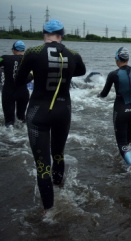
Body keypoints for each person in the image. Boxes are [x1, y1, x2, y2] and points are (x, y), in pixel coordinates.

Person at [15, 20, 86, 212]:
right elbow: (82, 70)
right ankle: (59, 190)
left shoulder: (33, 52)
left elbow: (19, 80)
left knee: (42, 165)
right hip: (64, 112)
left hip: (38, 112)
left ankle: (49, 214)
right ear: (62, 34)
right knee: (58, 154)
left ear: (43, 34)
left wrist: (34, 74)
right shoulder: (73, 54)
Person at [0, 40, 31, 127]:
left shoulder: (4, 58)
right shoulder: (29, 60)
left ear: (13, 50)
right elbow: (32, 76)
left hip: (8, 93)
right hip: (23, 93)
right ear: (24, 50)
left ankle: (9, 139)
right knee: (21, 119)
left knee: (9, 122)